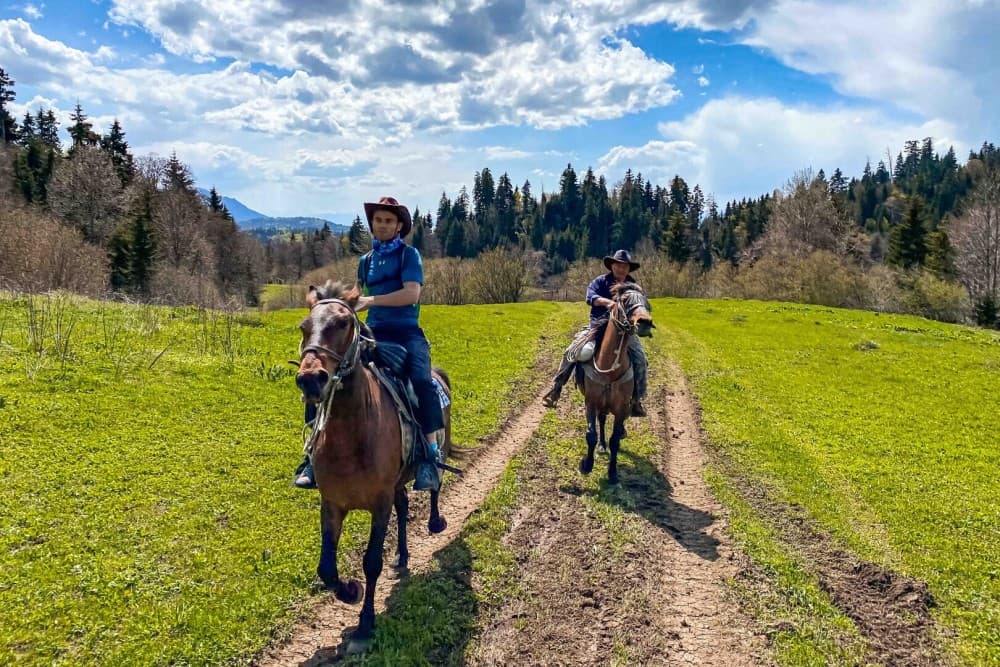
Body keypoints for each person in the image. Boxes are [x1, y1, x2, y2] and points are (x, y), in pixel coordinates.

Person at [294, 196, 443, 491]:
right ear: (372, 225)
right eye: (378, 220)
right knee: (326, 376)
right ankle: (312, 455)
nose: (383, 225)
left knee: (423, 382)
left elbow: (411, 294)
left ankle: (430, 455)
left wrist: (370, 300)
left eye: (389, 220)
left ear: (399, 225)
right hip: (371, 333)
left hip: (406, 333)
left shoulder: (409, 256)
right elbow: (355, 296)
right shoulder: (366, 261)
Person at [541, 249, 648, 417]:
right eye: (618, 265)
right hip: (598, 327)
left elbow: (640, 306)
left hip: (625, 331)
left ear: (629, 268)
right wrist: (608, 303)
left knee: (641, 359)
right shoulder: (600, 281)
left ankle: (636, 400)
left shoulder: (634, 287)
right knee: (572, 352)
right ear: (612, 266)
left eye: (625, 266)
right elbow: (590, 297)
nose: (621, 269)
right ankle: (556, 389)